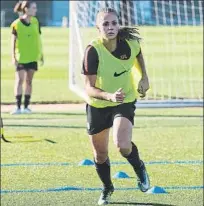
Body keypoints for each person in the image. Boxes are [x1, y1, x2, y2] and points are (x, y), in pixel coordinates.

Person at [81, 8, 150, 205]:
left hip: (124, 99)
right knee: (100, 154)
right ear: (98, 27)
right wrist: (109, 96)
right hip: (98, 103)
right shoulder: (92, 50)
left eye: (113, 23)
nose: (110, 27)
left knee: (122, 145)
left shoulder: (130, 43)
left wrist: (144, 77)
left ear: (118, 24)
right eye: (105, 24)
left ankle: (140, 168)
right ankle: (107, 188)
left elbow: (138, 53)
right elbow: (89, 88)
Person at [10, 1, 44, 114]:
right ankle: (18, 107)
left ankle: (26, 107)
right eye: (33, 8)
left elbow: (38, 39)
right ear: (26, 9)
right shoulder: (16, 24)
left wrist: (41, 55)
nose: (36, 10)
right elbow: (13, 42)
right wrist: (13, 57)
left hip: (33, 56)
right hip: (21, 57)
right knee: (20, 80)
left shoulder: (35, 21)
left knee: (29, 81)